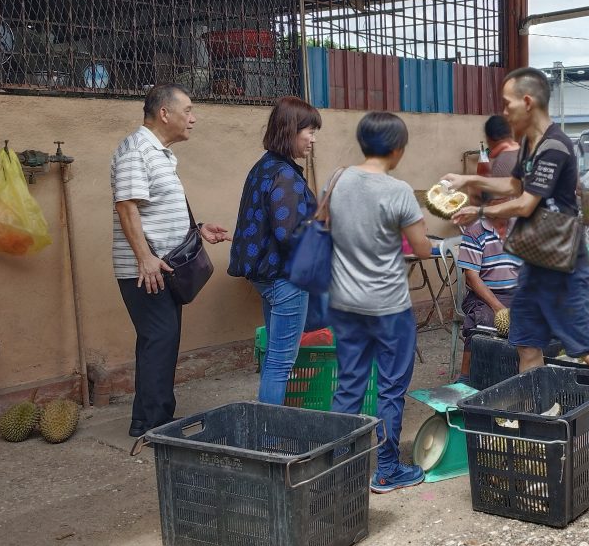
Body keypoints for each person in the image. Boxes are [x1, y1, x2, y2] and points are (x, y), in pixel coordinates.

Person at [443, 67, 589, 473]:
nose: (504, 112)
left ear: (527, 102)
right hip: (534, 262)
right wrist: (467, 178)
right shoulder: (531, 142)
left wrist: (479, 210)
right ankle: (542, 431)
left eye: (507, 104)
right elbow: (514, 186)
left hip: (560, 265)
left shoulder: (556, 147)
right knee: (527, 346)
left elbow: (524, 204)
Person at [111, 84, 231, 438]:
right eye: (188, 110)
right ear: (165, 113)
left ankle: (145, 421)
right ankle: (157, 425)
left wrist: (197, 228)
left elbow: (154, 211)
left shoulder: (158, 153)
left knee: (157, 342)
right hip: (149, 269)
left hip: (163, 266)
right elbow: (126, 207)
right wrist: (145, 258)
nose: (193, 118)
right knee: (160, 341)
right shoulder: (137, 151)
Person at [327, 111, 434, 494]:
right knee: (390, 388)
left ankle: (335, 470)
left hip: (344, 301)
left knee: (349, 386)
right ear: (396, 149)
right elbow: (422, 250)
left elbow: (329, 230)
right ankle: (386, 470)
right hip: (388, 305)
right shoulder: (398, 190)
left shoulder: (336, 179)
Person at [228, 96, 322, 405]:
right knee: (281, 363)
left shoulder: (264, 167)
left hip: (265, 277)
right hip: (285, 278)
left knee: (274, 359)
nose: (312, 139)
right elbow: (290, 234)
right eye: (309, 131)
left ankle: (268, 427)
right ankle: (269, 436)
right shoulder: (284, 174)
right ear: (291, 130)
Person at [454, 201, 522, 382]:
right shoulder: (475, 231)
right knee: (483, 321)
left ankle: (518, 375)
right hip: (484, 296)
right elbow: (472, 277)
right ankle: (466, 377)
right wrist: (497, 307)